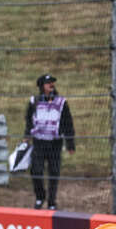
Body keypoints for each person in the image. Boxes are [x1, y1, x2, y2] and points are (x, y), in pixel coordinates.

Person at [23, 73, 75, 210]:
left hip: (55, 143)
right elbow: (29, 120)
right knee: (36, 170)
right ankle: (40, 197)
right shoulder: (34, 101)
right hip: (39, 142)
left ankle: (52, 201)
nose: (51, 85)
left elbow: (68, 122)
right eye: (48, 83)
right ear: (42, 86)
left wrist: (70, 144)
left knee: (54, 172)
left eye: (52, 82)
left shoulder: (61, 102)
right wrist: (27, 135)